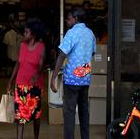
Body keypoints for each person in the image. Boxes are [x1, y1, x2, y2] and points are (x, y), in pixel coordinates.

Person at [50, 7, 96, 139]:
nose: (67, 21)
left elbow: (61, 55)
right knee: (84, 111)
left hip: (71, 79)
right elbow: (92, 52)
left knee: (69, 112)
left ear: (76, 19)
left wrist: (53, 77)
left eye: (69, 19)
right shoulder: (90, 33)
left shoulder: (71, 33)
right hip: (85, 79)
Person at [7, 19, 46, 139]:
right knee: (20, 117)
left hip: (35, 85)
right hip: (20, 84)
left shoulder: (41, 46)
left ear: (33, 34)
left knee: (36, 116)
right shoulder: (22, 46)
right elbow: (17, 64)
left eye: (26, 32)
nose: (24, 34)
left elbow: (41, 64)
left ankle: (36, 137)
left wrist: (37, 74)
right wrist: (10, 81)